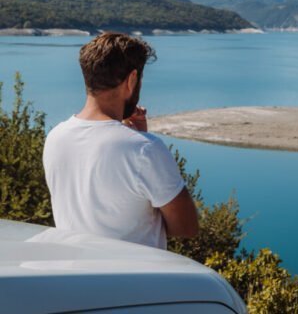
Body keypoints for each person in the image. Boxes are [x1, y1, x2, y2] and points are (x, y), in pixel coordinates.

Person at [43, 32, 199, 249]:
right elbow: (186, 227)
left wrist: (135, 135)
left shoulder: (55, 137)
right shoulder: (144, 149)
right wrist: (140, 138)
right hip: (131, 280)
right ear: (132, 79)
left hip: (73, 276)